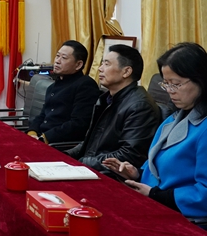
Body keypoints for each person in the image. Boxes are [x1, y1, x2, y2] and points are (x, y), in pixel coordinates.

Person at [104, 42, 207, 220]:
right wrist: (136, 173)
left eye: (176, 84)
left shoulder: (203, 127)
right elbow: (158, 169)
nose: (170, 91)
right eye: (166, 84)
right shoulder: (172, 119)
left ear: (201, 80)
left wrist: (155, 195)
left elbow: (203, 195)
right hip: (155, 205)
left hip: (186, 218)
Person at [66, 45, 161, 176]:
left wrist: (84, 162)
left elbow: (129, 155)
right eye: (102, 63)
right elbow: (92, 142)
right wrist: (66, 155)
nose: (100, 68)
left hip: (111, 176)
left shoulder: (139, 106)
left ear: (126, 72)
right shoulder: (107, 99)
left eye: (107, 64)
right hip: (93, 168)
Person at [27, 40, 100, 143]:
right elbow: (42, 115)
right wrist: (32, 132)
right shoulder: (52, 86)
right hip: (41, 138)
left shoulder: (85, 85)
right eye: (57, 56)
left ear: (78, 65)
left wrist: (44, 138)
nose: (57, 61)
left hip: (59, 144)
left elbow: (78, 124)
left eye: (64, 58)